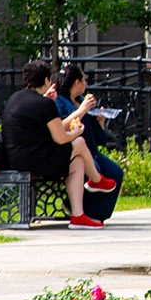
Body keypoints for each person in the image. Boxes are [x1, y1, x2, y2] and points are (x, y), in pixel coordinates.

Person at [0, 59, 116, 230]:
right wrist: (77, 131)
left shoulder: (15, 98)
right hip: (34, 161)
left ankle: (78, 216)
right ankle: (96, 179)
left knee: (77, 162)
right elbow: (61, 138)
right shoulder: (44, 104)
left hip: (13, 158)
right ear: (47, 80)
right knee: (79, 142)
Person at [53, 64, 125, 223]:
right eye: (84, 80)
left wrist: (101, 121)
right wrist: (81, 111)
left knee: (115, 173)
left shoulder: (82, 101)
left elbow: (100, 139)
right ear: (77, 83)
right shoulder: (60, 102)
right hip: (72, 152)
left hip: (92, 152)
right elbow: (59, 126)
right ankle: (75, 207)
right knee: (95, 172)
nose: (86, 83)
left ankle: (97, 213)